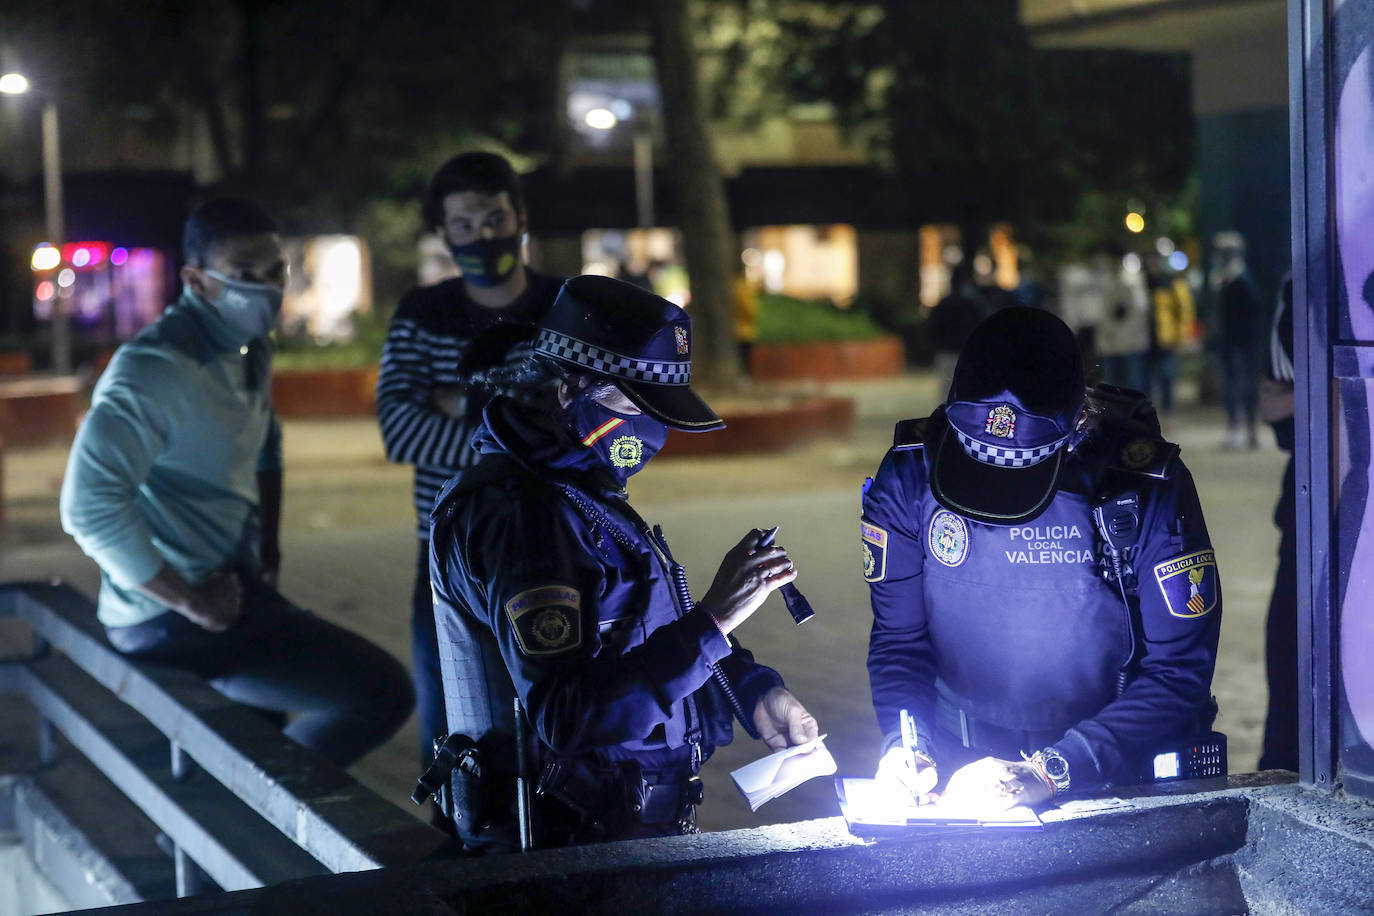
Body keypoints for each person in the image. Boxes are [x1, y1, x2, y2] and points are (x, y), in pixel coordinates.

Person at [427, 275, 819, 849]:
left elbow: (639, 633)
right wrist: (715, 618)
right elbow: (569, 716)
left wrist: (752, 690)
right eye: (632, 404)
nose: (648, 430)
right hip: (561, 859)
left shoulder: (574, 485)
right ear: (566, 388)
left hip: (621, 838)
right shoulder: (523, 518)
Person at [60, 198, 412, 767]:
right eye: (247, 274)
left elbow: (266, 441)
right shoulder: (156, 367)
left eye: (277, 271)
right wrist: (192, 601)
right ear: (197, 280)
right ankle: (264, 808)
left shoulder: (247, 347)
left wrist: (267, 547)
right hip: (169, 617)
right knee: (380, 693)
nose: (268, 288)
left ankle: (245, 813)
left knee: (260, 735)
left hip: (234, 585)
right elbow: (88, 505)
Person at [862, 307, 1221, 809]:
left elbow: (1180, 671)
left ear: (1079, 421)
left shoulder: (1143, 486)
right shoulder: (910, 473)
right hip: (953, 769)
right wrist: (906, 744)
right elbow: (899, 640)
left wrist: (1052, 771)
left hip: (1113, 769)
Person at [376, 152, 565, 772]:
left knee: (562, 730)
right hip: (450, 558)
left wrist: (464, 400)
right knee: (458, 743)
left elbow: (594, 431)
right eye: (464, 225)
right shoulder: (422, 315)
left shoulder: (565, 309)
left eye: (494, 218)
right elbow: (400, 431)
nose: (483, 237)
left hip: (562, 548)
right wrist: (521, 426)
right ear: (444, 234)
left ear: (521, 217)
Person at [1258, 274, 1297, 771]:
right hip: (1323, 497)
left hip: (1327, 499)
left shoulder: (1311, 274)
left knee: (1295, 648)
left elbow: (1279, 396)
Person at [1211, 231, 1265, 450]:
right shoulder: (1222, 279)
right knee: (1231, 386)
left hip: (1242, 343)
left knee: (1244, 386)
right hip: (1228, 342)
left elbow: (1253, 313)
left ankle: (1250, 430)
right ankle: (1236, 428)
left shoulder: (1242, 279)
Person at [1144, 253, 1197, 418]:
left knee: (1166, 376)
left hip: (1167, 339)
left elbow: (1185, 312)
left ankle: (1168, 411)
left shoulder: (1173, 283)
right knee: (1147, 378)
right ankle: (1148, 412)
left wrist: (1182, 337)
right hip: (1144, 339)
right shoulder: (1143, 281)